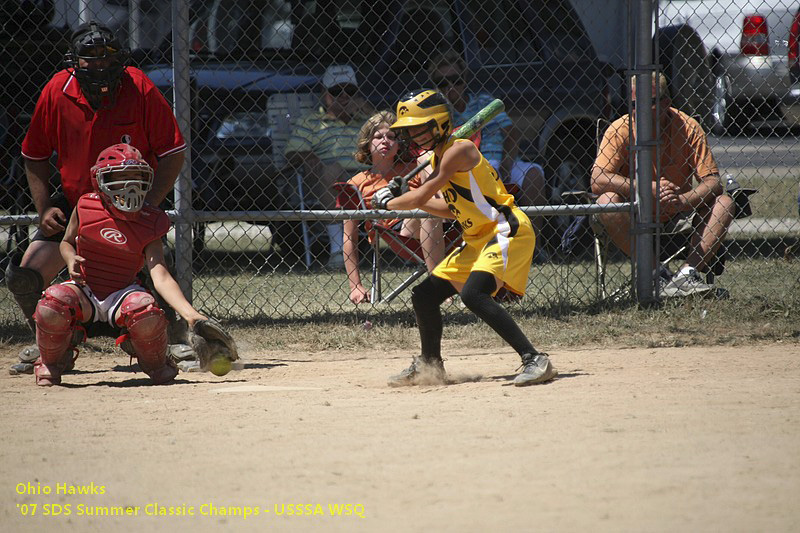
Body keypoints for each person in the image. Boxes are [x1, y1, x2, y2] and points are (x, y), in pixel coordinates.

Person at [6, 21, 186, 373]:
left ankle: (164, 342)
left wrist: (148, 204)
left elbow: (173, 152)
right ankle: (54, 345)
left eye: (108, 57)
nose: (100, 65)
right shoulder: (58, 90)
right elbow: (34, 155)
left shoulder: (139, 86)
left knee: (154, 280)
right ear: (74, 61)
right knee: (24, 276)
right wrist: (44, 209)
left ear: (121, 59)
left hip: (129, 205)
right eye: (90, 58)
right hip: (77, 203)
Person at [370, 89, 557, 387]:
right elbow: (448, 207)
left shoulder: (459, 150)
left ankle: (534, 359)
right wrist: (408, 197)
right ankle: (430, 366)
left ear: (440, 124)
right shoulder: (437, 158)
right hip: (477, 238)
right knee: (425, 296)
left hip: (505, 229)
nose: (414, 135)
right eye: (410, 130)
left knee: (473, 294)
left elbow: (423, 193)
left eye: (420, 127)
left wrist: (391, 200)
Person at [32, 144, 207, 386]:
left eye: (136, 177)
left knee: (144, 308)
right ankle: (52, 361)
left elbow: (161, 276)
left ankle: (156, 364)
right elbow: (66, 243)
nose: (130, 185)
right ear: (101, 180)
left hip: (122, 293)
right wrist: (70, 258)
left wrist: (191, 315)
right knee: (53, 301)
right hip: (85, 290)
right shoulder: (85, 206)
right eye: (121, 177)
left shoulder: (151, 220)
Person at [591, 73, 735, 297]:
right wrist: (645, 189)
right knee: (606, 200)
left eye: (648, 102)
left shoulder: (688, 127)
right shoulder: (620, 129)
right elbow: (597, 179)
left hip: (677, 214)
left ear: (666, 103)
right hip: (633, 214)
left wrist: (682, 201)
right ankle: (655, 273)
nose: (639, 110)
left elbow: (713, 182)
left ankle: (686, 275)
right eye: (634, 103)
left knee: (724, 203)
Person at [427, 49, 548, 253]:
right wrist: (445, 109)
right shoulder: (438, 114)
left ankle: (533, 247)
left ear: (464, 80)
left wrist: (509, 161)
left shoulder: (483, 102)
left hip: (501, 160)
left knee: (534, 174)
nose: (450, 87)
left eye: (455, 80)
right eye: (442, 83)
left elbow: (511, 133)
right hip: (468, 170)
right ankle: (487, 247)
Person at [341, 110, 446, 304]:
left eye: (391, 137)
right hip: (393, 232)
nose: (385, 141)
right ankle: (438, 286)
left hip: (436, 220)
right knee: (427, 212)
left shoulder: (414, 167)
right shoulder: (356, 182)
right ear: (367, 143)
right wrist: (355, 286)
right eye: (378, 137)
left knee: (427, 159)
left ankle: (441, 284)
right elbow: (349, 237)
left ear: (400, 144)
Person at [285, 64, 372, 269]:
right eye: (336, 91)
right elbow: (290, 154)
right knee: (333, 170)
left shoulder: (368, 121)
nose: (343, 96)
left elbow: (393, 135)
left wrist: (368, 111)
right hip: (328, 179)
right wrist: (308, 155)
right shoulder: (311, 122)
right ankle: (337, 251)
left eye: (350, 91)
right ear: (324, 94)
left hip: (367, 176)